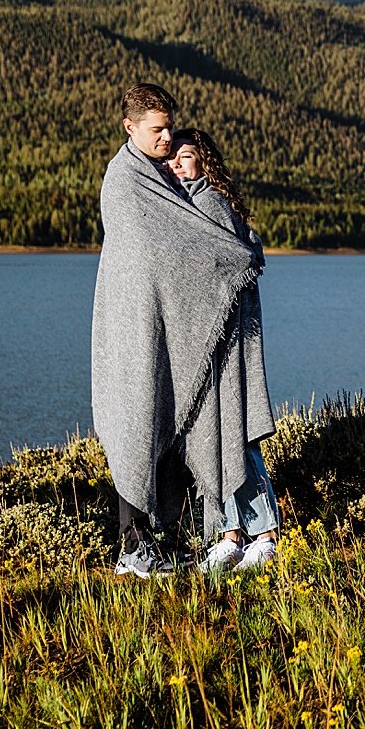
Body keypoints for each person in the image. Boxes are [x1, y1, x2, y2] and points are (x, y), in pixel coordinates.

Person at [91, 83, 265, 578]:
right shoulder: (124, 181)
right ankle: (133, 548)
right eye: (157, 129)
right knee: (135, 426)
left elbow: (188, 238)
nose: (168, 136)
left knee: (162, 423)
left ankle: (156, 542)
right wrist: (234, 258)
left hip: (165, 323)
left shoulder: (159, 175)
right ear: (130, 128)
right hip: (132, 325)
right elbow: (155, 251)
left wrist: (230, 251)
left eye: (170, 126)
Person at [165, 128, 280, 572]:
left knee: (235, 434)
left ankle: (264, 534)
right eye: (172, 158)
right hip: (206, 345)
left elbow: (233, 264)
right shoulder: (182, 206)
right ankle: (229, 533)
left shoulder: (209, 202)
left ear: (204, 162)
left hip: (225, 343)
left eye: (187, 156)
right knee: (214, 437)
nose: (177, 164)